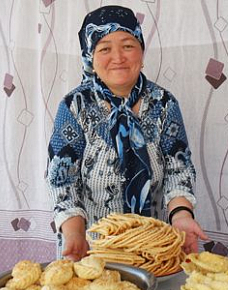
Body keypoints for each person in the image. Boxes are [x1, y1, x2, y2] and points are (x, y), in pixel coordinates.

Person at [47, 5, 207, 261]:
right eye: (105, 48)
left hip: (151, 246)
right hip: (89, 247)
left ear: (141, 52)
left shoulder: (163, 103)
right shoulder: (74, 106)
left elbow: (179, 168)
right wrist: (74, 232)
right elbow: (62, 177)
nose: (118, 57)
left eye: (128, 45)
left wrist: (182, 216)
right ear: (90, 56)